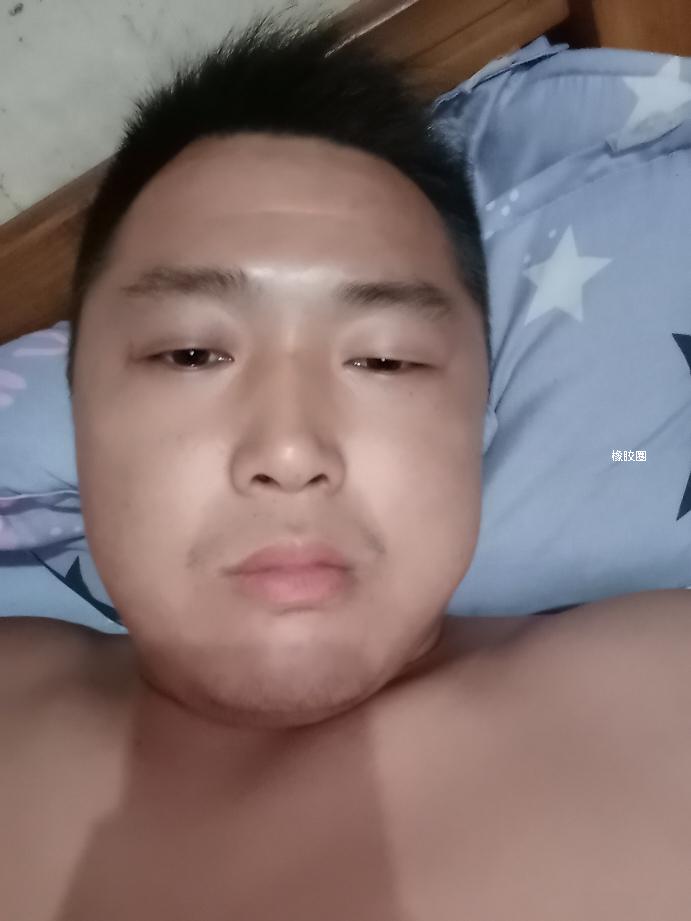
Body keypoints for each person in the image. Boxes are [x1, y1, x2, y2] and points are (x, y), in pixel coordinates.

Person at [1, 12, 689, 921]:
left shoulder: (661, 706)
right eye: (191, 354)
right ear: (78, 404)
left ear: (477, 416)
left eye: (384, 359)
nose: (291, 452)